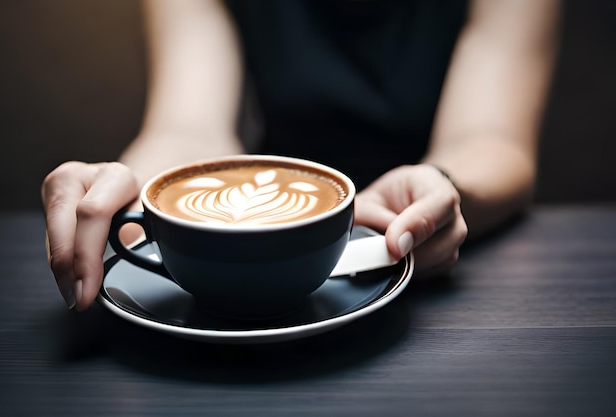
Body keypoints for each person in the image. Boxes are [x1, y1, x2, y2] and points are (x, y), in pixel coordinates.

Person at [41, 0, 560, 311]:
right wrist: (132, 194)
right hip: (251, 253)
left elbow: (491, 138)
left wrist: (442, 184)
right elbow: (187, 128)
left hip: (420, 272)